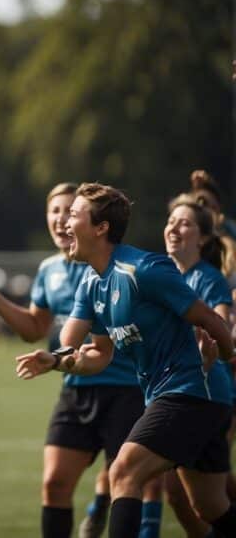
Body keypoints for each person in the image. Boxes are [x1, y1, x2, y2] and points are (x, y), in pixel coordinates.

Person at [15, 183, 236, 538]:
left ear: (101, 228)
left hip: (194, 391)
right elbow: (94, 354)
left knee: (123, 472)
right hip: (177, 395)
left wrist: (228, 356)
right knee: (208, 506)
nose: (64, 224)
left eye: (74, 214)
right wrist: (54, 360)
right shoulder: (90, 282)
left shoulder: (145, 269)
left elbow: (211, 320)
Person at [0, 182, 153, 538]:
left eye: (69, 211)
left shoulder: (113, 264)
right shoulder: (50, 270)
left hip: (126, 388)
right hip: (76, 388)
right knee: (54, 484)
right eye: (54, 212)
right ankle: (98, 500)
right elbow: (34, 328)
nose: (61, 220)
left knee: (130, 482)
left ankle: (100, 502)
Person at [159, 194, 234, 537]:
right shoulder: (160, 275)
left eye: (185, 223)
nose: (175, 228)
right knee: (183, 495)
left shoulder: (209, 279)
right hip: (172, 391)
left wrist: (208, 346)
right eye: (172, 221)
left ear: (202, 238)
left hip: (205, 393)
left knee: (198, 497)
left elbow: (220, 326)